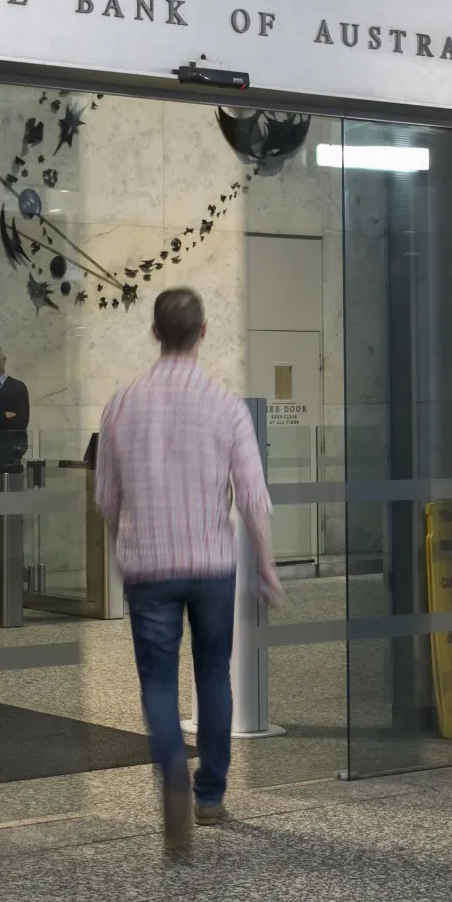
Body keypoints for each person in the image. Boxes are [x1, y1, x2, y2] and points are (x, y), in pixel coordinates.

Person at [95, 288, 278, 856]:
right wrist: (267, 565)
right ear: (203, 333)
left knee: (157, 681)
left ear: (154, 333)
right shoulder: (225, 405)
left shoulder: (121, 404)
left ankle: (173, 769)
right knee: (214, 674)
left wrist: (121, 548)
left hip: (149, 565)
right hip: (210, 565)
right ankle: (211, 794)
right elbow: (252, 494)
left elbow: (105, 497)